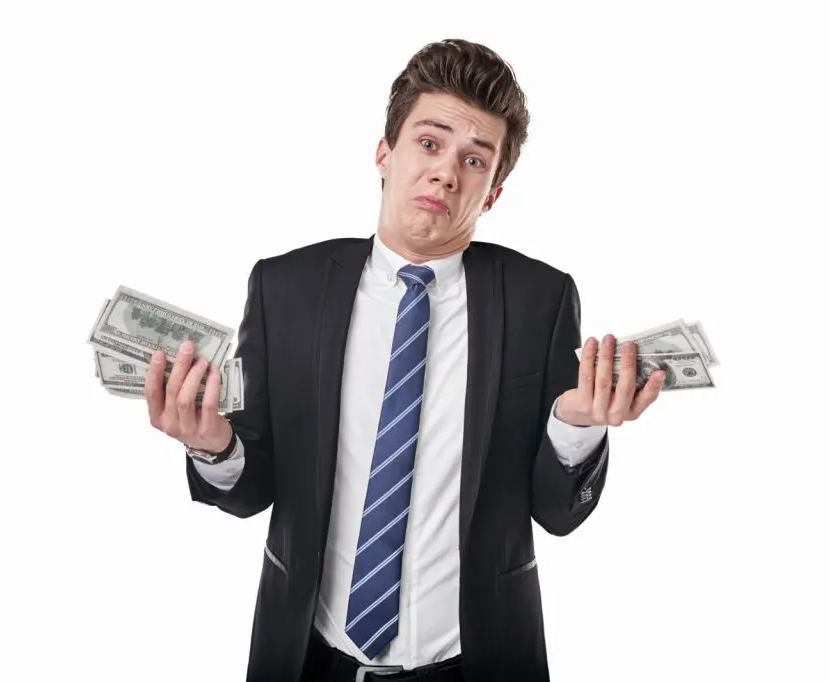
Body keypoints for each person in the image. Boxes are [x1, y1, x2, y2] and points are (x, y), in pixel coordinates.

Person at [144, 38, 665, 682]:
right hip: (311, 659)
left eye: (475, 159)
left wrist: (578, 427)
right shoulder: (286, 287)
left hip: (476, 664)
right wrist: (214, 447)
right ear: (384, 154)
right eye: (429, 142)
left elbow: (557, 514)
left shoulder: (541, 298)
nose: (448, 172)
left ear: (494, 192)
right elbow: (251, 492)